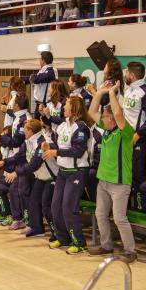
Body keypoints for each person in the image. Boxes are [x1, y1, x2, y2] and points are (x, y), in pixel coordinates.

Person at [87, 81, 137, 262]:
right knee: (100, 214)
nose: (102, 118)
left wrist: (112, 93)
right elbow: (92, 111)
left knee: (119, 218)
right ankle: (106, 245)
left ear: (112, 119)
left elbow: (117, 112)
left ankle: (130, 250)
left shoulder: (125, 132)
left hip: (120, 183)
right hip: (104, 181)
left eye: (105, 116)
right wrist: (100, 92)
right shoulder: (107, 131)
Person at [42, 96, 93, 255]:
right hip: (63, 172)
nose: (63, 107)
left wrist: (56, 151)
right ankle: (63, 238)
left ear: (74, 109)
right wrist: (49, 146)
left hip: (77, 172)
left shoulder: (82, 127)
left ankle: (80, 243)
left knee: (68, 208)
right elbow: (58, 145)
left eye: (66, 105)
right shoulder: (62, 126)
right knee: (55, 207)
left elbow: (78, 151)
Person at [122, 61, 146, 187]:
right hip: (126, 136)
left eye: (126, 72)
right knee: (127, 174)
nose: (125, 74)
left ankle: (142, 206)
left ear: (131, 75)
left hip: (140, 139)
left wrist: (138, 134)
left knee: (138, 174)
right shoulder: (128, 91)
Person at [27, 51, 56, 119]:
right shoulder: (43, 70)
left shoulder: (51, 70)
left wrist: (34, 77)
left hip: (45, 104)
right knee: (37, 126)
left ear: (43, 60)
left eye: (40, 59)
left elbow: (36, 79)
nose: (39, 61)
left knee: (43, 125)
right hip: (39, 103)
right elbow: (34, 78)